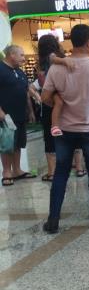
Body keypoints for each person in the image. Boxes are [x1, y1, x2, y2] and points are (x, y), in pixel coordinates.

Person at [41, 24, 89, 232]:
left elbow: (45, 97)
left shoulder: (57, 67)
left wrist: (58, 100)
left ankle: (53, 220)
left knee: (61, 173)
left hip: (63, 129)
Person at [0, 45, 40, 186]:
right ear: (12, 55)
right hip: (6, 116)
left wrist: (30, 110)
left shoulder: (19, 72)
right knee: (7, 144)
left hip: (20, 114)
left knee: (18, 143)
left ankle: (17, 170)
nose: (24, 58)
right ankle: (6, 172)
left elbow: (26, 90)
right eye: (21, 55)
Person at [37, 34, 75, 181]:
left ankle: (52, 171)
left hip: (48, 98)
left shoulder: (42, 61)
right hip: (61, 95)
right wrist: (65, 60)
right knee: (65, 132)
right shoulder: (54, 57)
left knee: (49, 136)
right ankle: (70, 163)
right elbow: (54, 58)